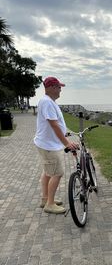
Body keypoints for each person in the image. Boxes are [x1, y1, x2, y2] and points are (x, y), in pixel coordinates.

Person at [34, 76, 77, 214]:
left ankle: (45, 198)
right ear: (52, 87)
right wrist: (67, 143)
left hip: (46, 143)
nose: (60, 90)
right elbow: (54, 125)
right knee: (57, 173)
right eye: (59, 87)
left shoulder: (48, 101)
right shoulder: (47, 102)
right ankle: (50, 204)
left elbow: (56, 124)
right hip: (48, 146)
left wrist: (65, 136)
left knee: (47, 172)